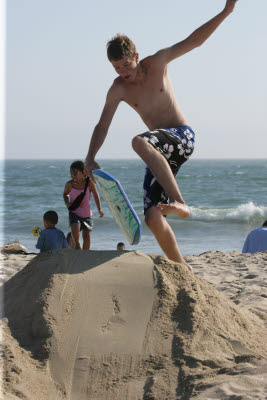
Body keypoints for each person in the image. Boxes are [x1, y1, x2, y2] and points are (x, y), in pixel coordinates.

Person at [85, 0, 238, 269]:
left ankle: (180, 201)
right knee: (153, 217)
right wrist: (90, 158)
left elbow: (195, 41)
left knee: (139, 141)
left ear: (136, 56)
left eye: (125, 65)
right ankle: (183, 268)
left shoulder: (158, 62)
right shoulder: (118, 88)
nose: (123, 73)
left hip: (182, 137)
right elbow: (102, 125)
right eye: (116, 68)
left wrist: (226, 11)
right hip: (158, 153)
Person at [63, 160, 104, 250]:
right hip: (74, 211)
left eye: (76, 173)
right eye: (72, 174)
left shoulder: (89, 183)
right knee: (75, 229)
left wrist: (99, 209)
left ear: (84, 172)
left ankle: (85, 254)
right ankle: (77, 244)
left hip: (86, 214)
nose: (73, 176)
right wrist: (67, 203)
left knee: (86, 236)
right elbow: (65, 194)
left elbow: (96, 196)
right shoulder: (70, 184)